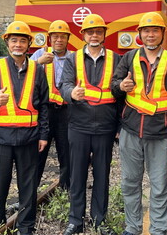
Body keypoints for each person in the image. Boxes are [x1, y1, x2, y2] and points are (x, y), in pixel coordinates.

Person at [110, 12, 167, 235]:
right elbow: (114, 85)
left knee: (160, 186)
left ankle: (158, 230)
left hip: (160, 133)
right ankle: (133, 228)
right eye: (146, 31)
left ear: (162, 33)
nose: (150, 34)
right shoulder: (129, 57)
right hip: (131, 131)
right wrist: (121, 86)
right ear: (140, 34)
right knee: (130, 184)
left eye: (155, 30)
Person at [0, 21, 49, 235]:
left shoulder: (37, 69)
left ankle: (26, 226)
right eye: (14, 40)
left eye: (22, 40)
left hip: (29, 137)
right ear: (7, 42)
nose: (18, 44)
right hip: (1, 138)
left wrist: (43, 134)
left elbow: (44, 104)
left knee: (28, 186)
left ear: (29, 44)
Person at [59, 14, 120, 235]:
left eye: (98, 32)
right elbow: (63, 84)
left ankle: (99, 221)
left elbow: (120, 94)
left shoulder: (116, 59)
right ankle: (75, 221)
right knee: (77, 175)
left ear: (104, 34)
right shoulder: (72, 59)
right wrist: (70, 93)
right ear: (83, 35)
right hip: (79, 126)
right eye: (90, 32)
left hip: (105, 127)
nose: (94, 35)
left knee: (102, 175)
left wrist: (119, 128)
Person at [30, 20, 71, 190]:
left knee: (66, 153)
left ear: (68, 39)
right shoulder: (40, 53)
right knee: (38, 153)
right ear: (50, 38)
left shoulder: (74, 57)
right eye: (55, 36)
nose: (59, 40)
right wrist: (38, 62)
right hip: (44, 112)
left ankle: (66, 189)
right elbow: (23, 71)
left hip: (66, 112)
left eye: (62, 37)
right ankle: (31, 191)